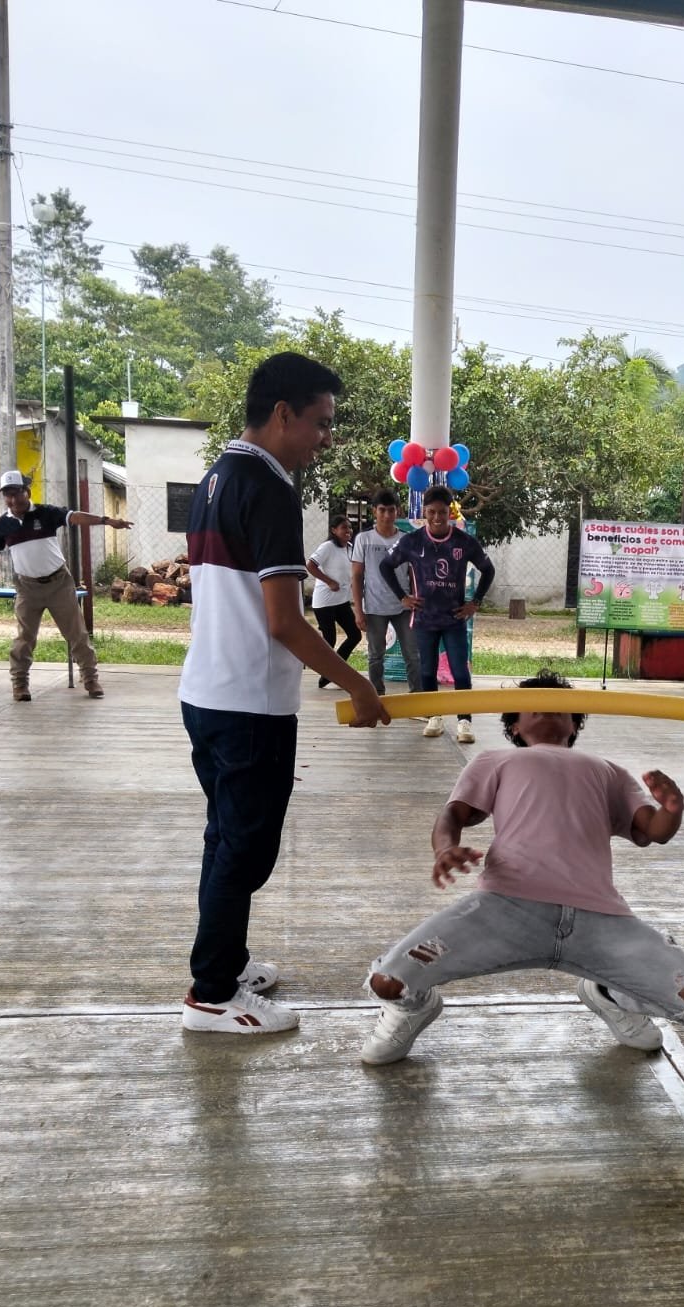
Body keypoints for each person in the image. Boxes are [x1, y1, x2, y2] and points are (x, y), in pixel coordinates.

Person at [359, 669, 684, 1065]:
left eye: (559, 704)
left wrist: (672, 810)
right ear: (514, 727)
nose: (547, 708)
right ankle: (413, 1008)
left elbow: (653, 830)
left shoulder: (607, 770)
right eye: (532, 704)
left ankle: (609, 994)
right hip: (505, 908)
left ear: (575, 723)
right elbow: (453, 813)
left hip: (600, 920)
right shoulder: (496, 760)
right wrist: (445, 849)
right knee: (388, 981)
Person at [179, 351, 389, 1036]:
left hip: (208, 692)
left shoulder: (217, 476)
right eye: (320, 423)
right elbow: (285, 621)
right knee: (244, 849)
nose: (324, 439)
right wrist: (360, 684)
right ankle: (212, 994)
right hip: (247, 703)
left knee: (227, 839)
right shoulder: (269, 487)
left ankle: (226, 961)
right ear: (281, 414)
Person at [0, 469, 131, 701]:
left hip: (59, 583)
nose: (13, 500)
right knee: (24, 639)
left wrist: (106, 520)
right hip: (27, 588)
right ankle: (20, 684)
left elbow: (75, 517)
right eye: (7, 495)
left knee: (77, 633)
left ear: (27, 492)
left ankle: (90, 679)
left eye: (17, 493)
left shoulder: (46, 513)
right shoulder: (3, 524)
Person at [379, 484, 495, 744]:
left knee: (460, 671)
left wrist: (475, 602)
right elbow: (385, 566)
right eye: (431, 512)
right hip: (425, 619)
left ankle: (464, 721)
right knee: (427, 671)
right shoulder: (412, 541)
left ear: (450, 513)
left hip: (454, 619)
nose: (437, 517)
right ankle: (434, 716)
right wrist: (403, 597)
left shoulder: (464, 541)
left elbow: (488, 570)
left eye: (442, 512)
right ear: (424, 512)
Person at [350, 490, 420, 699]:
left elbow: (413, 573)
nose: (387, 515)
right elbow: (356, 576)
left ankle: (417, 696)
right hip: (374, 607)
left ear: (398, 511)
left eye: (391, 510)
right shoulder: (363, 539)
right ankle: (377, 696)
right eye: (382, 510)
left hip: (403, 607)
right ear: (374, 511)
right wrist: (358, 610)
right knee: (375, 656)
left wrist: (415, 600)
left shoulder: (406, 539)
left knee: (413, 654)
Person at [306, 513, 361, 686]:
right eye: (344, 527)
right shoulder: (327, 547)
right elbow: (310, 565)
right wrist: (329, 581)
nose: (348, 530)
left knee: (355, 635)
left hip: (341, 601)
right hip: (325, 602)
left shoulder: (350, 548)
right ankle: (327, 672)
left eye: (350, 527)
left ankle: (332, 672)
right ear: (334, 530)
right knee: (330, 640)